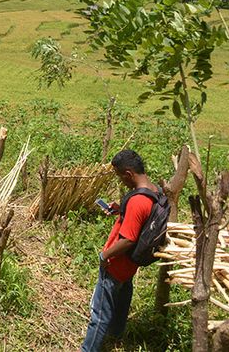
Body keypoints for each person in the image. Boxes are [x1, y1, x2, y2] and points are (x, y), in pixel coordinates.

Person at [81, 149, 158, 351]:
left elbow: (128, 240)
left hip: (116, 263)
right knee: (123, 296)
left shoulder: (137, 202)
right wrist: (120, 207)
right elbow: (141, 220)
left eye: (120, 177)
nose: (121, 181)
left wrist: (104, 255)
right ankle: (116, 333)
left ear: (128, 174)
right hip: (130, 264)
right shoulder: (153, 190)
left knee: (99, 314)